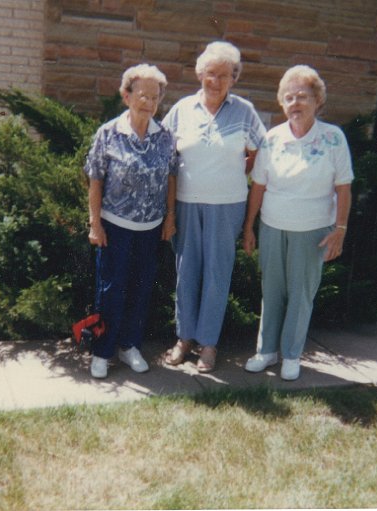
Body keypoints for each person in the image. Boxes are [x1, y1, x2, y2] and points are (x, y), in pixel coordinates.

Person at [242, 65, 353, 381]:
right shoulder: (272, 139)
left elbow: (343, 187)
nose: (295, 103)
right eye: (289, 98)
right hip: (273, 226)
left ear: (317, 99)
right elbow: (259, 186)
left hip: (314, 230)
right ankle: (266, 351)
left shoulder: (333, 138)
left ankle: (291, 355)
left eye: (302, 96)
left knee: (301, 294)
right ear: (282, 103)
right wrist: (250, 226)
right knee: (272, 290)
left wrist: (340, 229)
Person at [162, 41, 267, 372]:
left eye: (225, 75)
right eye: (211, 73)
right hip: (186, 203)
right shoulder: (181, 109)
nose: (216, 81)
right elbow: (165, 156)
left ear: (234, 78)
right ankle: (184, 339)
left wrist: (236, 172)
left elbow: (259, 151)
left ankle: (209, 344)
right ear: (199, 74)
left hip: (227, 205)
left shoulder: (244, 111)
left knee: (217, 274)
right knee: (186, 272)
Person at [84, 64, 178, 379]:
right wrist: (94, 223)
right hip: (114, 228)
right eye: (142, 95)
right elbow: (95, 179)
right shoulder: (108, 133)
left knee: (140, 290)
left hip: (149, 229)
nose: (148, 103)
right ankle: (101, 351)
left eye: (154, 97)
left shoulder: (165, 136)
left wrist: (169, 217)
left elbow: (171, 177)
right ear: (126, 96)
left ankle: (129, 347)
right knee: (110, 291)